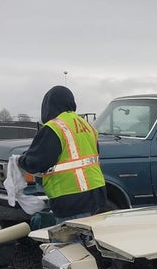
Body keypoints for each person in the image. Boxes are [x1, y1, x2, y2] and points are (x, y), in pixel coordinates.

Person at [18, 85, 106, 222]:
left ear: (48, 105)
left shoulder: (54, 127)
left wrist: (21, 160)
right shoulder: (87, 125)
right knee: (89, 238)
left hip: (71, 196)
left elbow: (36, 162)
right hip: (97, 192)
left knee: (67, 241)